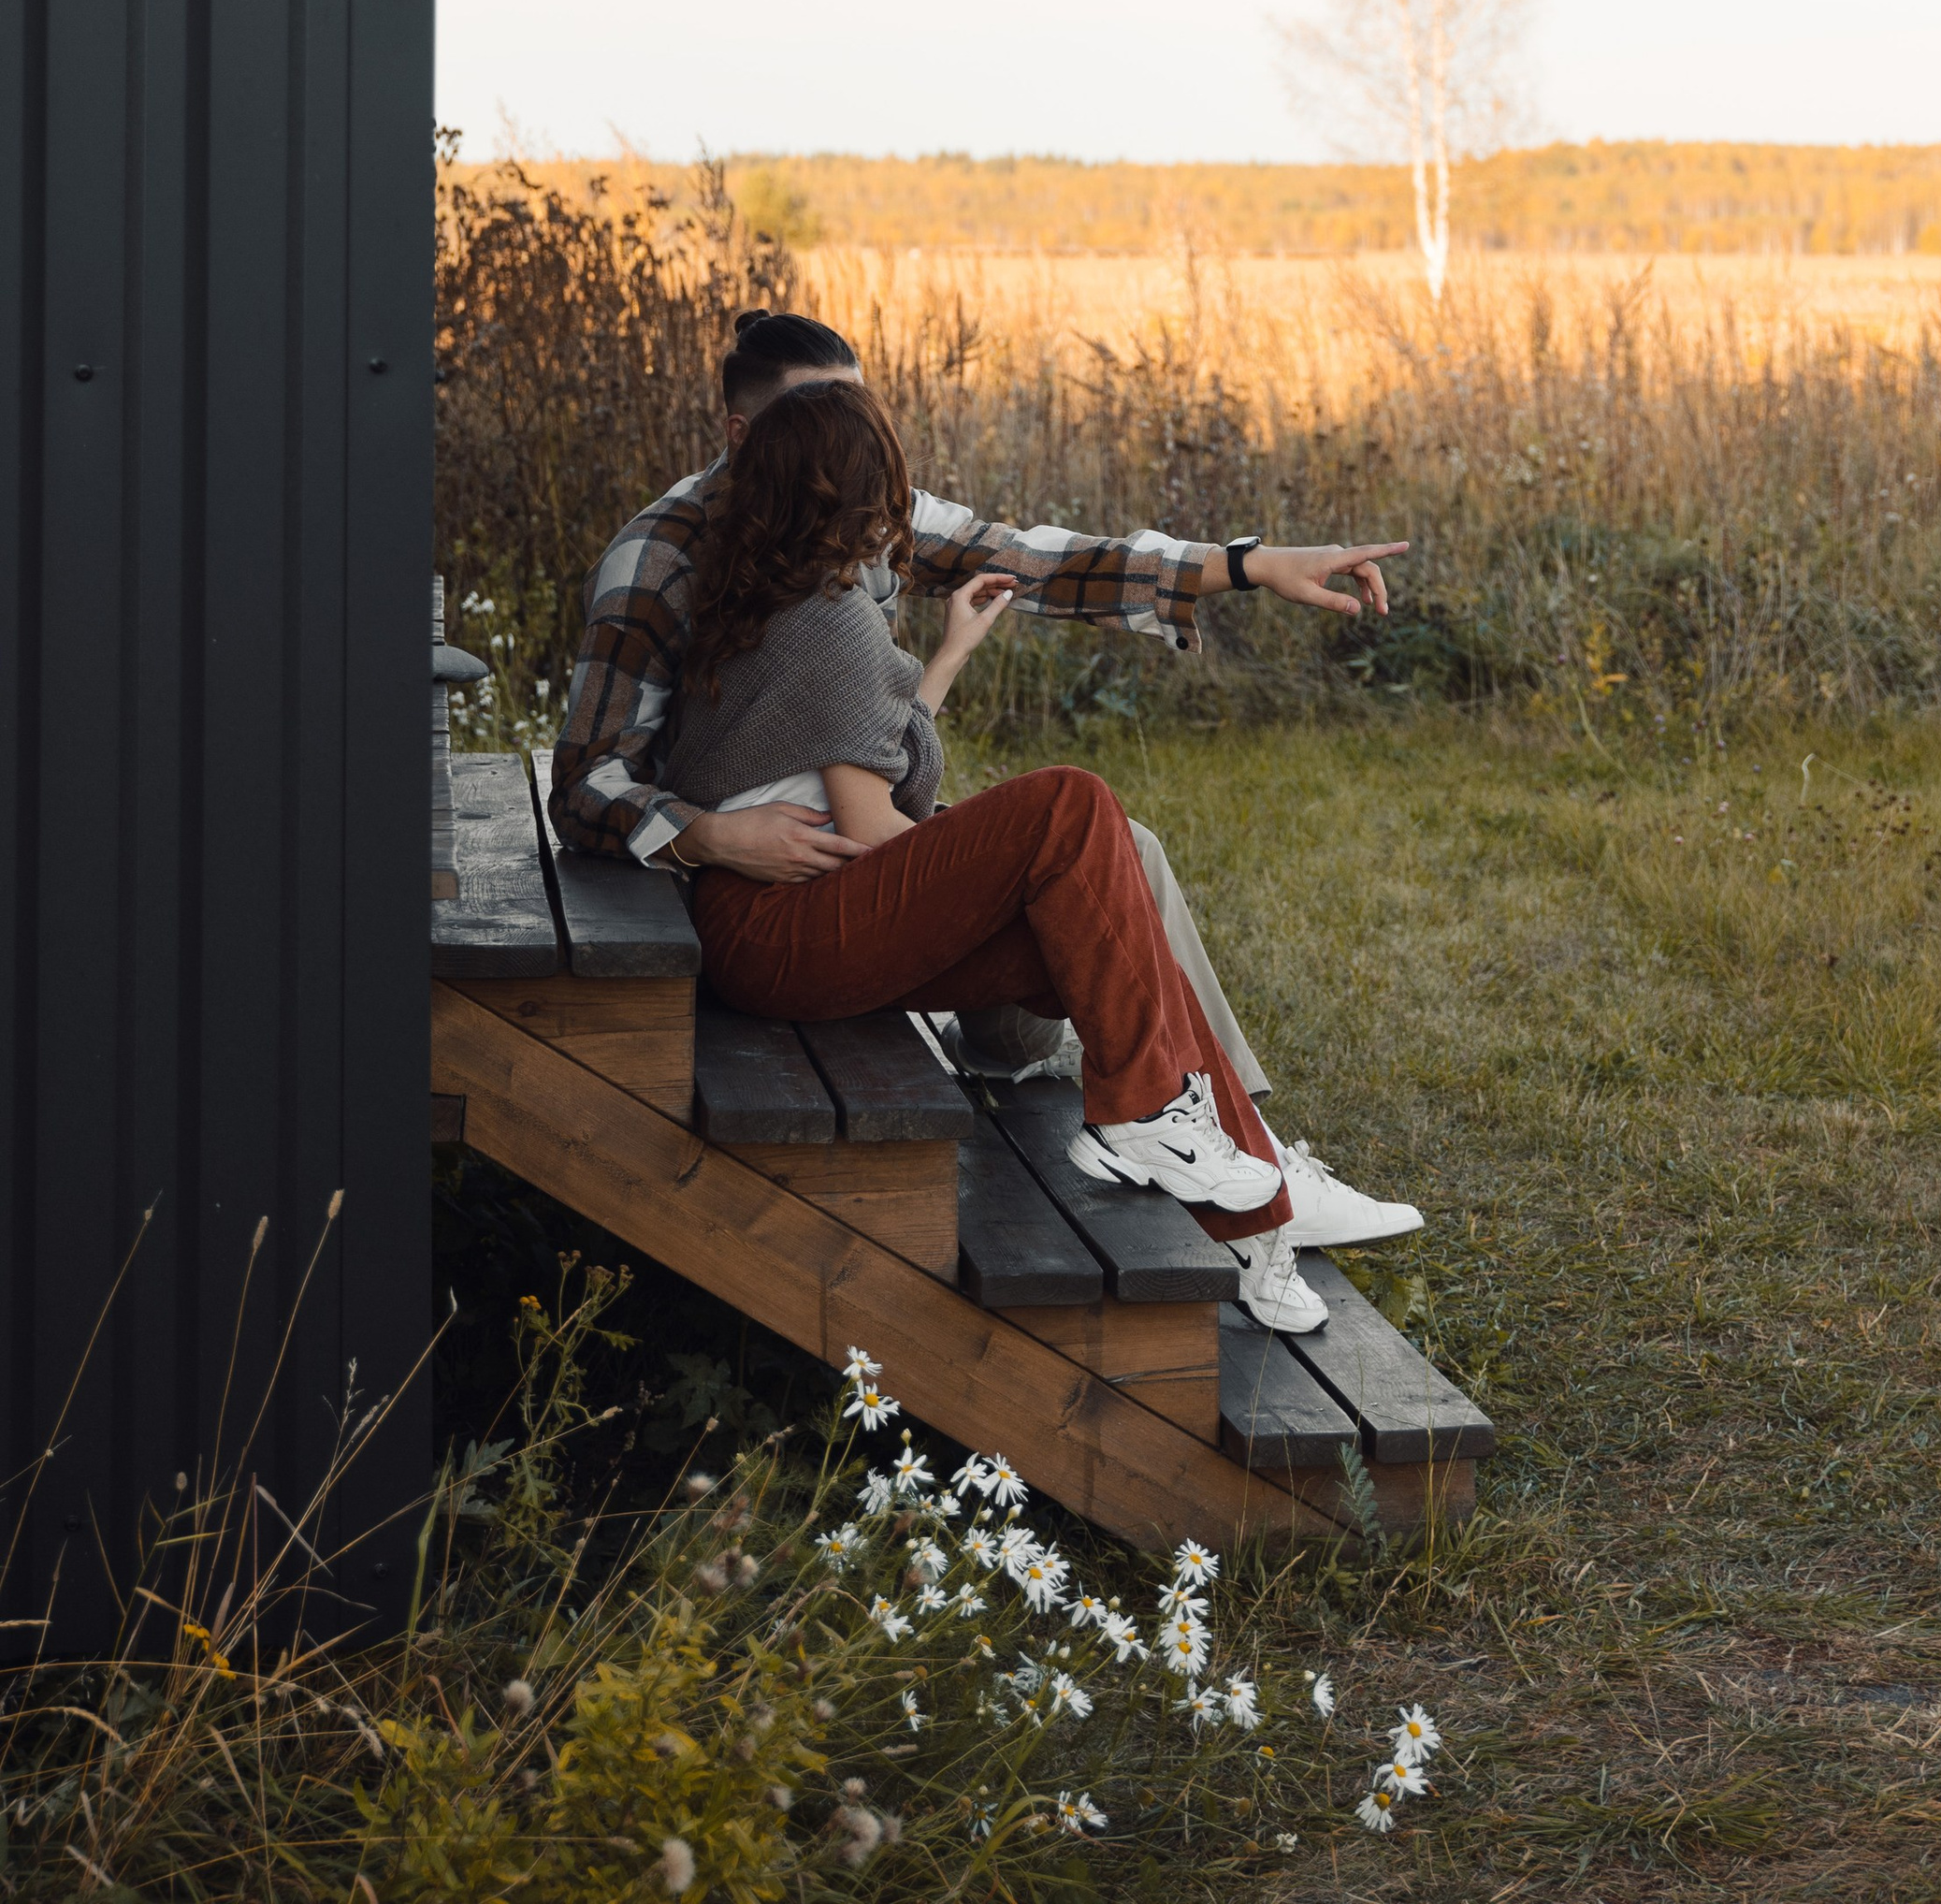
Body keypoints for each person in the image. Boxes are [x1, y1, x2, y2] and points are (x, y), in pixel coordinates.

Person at [551, 307, 1419, 1248]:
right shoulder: (665, 559)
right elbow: (587, 783)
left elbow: (1043, 562)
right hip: (748, 897)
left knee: (1121, 855)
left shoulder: (846, 518)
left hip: (825, 866)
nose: (861, 453)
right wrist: (712, 835)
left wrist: (1248, 566)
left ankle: (1234, 1146)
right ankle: (1215, 1147)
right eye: (826, 420)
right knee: (1070, 835)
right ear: (745, 435)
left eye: (862, 417)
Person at [660, 371, 1314, 1332]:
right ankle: (1156, 1126)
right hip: (778, 930)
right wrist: (989, 869)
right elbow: (873, 829)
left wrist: (950, 655)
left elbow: (854, 759)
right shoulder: (828, 618)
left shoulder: (765, 597)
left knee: (1108, 933)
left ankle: (1255, 1219)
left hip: (778, 925)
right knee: (1070, 807)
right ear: (865, 492)